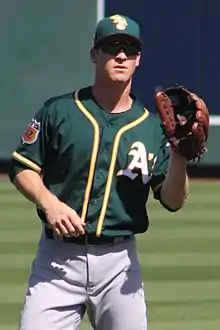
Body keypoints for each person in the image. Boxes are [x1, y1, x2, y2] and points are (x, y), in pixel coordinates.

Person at [9, 14, 189, 330]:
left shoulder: (151, 128)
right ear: (95, 54)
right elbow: (23, 167)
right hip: (58, 261)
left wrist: (179, 156)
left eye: (129, 49)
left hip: (119, 265)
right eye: (111, 46)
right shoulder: (60, 111)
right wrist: (49, 203)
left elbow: (173, 200)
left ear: (138, 60)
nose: (121, 55)